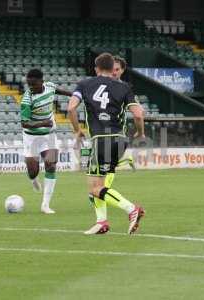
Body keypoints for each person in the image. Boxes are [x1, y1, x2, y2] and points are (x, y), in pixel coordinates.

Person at [67, 53, 145, 234]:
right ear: (112, 69)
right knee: (99, 185)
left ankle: (131, 209)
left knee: (94, 188)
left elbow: (71, 107)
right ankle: (102, 222)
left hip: (101, 140)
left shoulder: (85, 84)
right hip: (120, 140)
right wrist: (140, 133)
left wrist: (77, 130)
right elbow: (139, 114)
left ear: (96, 69)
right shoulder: (124, 87)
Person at [21, 69, 72, 214]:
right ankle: (33, 180)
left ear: (41, 81)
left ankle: (45, 205)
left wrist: (75, 95)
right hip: (31, 137)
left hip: (49, 134)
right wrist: (43, 122)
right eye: (29, 85)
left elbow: (59, 91)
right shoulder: (27, 99)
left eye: (34, 84)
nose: (31, 87)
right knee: (33, 170)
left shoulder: (49, 86)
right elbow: (24, 123)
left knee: (51, 164)